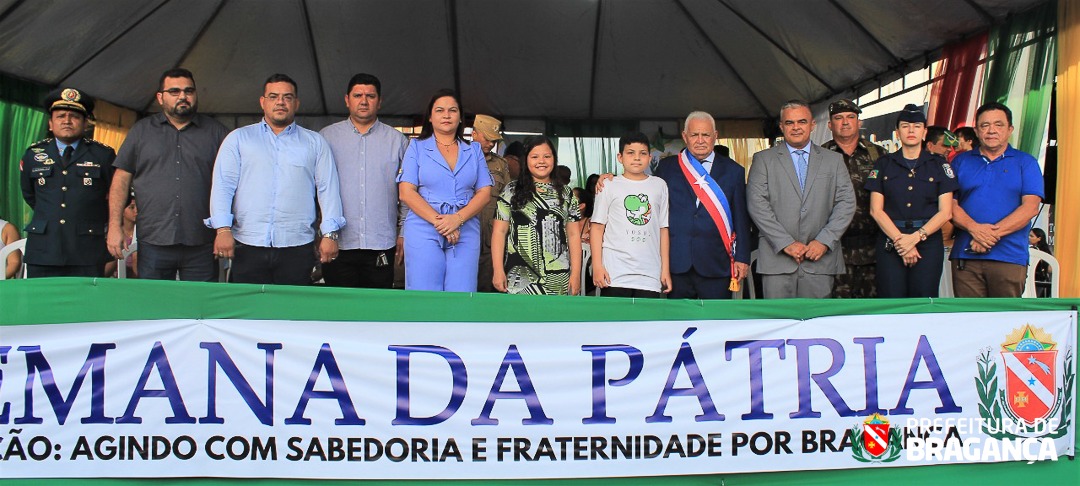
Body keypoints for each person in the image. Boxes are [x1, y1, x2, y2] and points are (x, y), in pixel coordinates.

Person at [206, 74, 344, 285]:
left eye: (287, 97)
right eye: (273, 96)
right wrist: (222, 229)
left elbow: (328, 189)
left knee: (293, 312)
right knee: (246, 311)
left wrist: (330, 234)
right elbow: (224, 186)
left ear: (296, 103)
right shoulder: (238, 139)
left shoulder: (315, 143)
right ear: (263, 102)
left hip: (297, 246)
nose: (280, 102)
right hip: (247, 243)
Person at [107, 68, 228, 281]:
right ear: (160, 97)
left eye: (188, 91)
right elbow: (121, 179)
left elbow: (233, 183)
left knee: (198, 309)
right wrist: (115, 226)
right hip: (154, 240)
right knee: (156, 308)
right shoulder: (141, 131)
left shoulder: (217, 133)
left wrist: (225, 231)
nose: (183, 96)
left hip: (201, 241)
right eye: (174, 91)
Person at [747, 100, 856, 299]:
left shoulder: (833, 160)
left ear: (813, 125)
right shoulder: (763, 160)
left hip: (820, 260)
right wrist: (785, 243)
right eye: (789, 123)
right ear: (781, 127)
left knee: (817, 326)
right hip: (777, 261)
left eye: (802, 122)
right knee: (778, 324)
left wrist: (823, 241)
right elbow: (757, 204)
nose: (796, 127)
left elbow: (846, 203)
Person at [319, 73, 408, 289]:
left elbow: (407, 193)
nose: (364, 101)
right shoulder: (325, 138)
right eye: (358, 95)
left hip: (381, 242)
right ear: (347, 99)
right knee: (339, 312)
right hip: (338, 242)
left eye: (370, 95)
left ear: (380, 101)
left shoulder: (397, 141)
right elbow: (315, 191)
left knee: (378, 312)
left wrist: (404, 233)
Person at [397, 89, 492, 291]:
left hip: (465, 227)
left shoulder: (474, 150)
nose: (446, 115)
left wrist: (456, 219)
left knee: (462, 292)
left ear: (460, 117)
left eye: (452, 110)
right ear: (430, 117)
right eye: (440, 110)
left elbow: (484, 193)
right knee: (424, 293)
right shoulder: (416, 147)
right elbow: (406, 192)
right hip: (424, 226)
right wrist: (441, 222)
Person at [950, 102, 1043, 297]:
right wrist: (975, 229)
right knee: (968, 321)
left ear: (1010, 129)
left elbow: (1031, 208)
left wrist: (988, 236)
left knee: (1006, 323)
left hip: (1009, 256)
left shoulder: (1026, 162)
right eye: (985, 125)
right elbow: (950, 204)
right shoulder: (960, 161)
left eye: (998, 125)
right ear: (976, 130)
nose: (991, 130)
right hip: (966, 256)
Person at [19, 88, 115, 278]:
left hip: (86, 249)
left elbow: (116, 195)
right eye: (61, 116)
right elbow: (30, 194)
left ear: (86, 123)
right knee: (42, 305)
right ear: (50, 123)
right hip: (44, 248)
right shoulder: (34, 155)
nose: (67, 121)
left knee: (86, 306)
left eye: (74, 116)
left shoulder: (103, 155)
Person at [654, 111, 750, 299]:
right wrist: (608, 180)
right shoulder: (667, 168)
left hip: (717, 262)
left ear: (715, 136)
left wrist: (742, 258)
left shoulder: (733, 171)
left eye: (705, 135)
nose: (700, 140)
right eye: (694, 135)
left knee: (716, 324)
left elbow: (741, 218)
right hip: (677, 261)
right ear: (684, 137)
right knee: (679, 323)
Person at [865, 104, 957, 297]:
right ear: (897, 132)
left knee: (924, 300)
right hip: (892, 241)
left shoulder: (939, 165)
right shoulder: (884, 164)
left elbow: (946, 212)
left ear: (924, 132)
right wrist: (901, 242)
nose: (911, 130)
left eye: (916, 126)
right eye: (905, 126)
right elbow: (876, 210)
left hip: (928, 241)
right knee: (891, 302)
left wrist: (915, 238)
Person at [491, 136, 582, 295]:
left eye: (547, 156)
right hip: (518, 278)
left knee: (554, 319)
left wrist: (575, 274)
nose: (542, 161)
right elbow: (499, 232)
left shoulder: (566, 193)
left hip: (557, 278)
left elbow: (574, 235)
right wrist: (498, 270)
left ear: (554, 159)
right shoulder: (510, 191)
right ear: (525, 160)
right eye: (535, 157)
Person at [591, 132, 671, 298]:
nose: (636, 158)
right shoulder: (608, 185)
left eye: (642, 153)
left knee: (648, 323)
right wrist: (598, 267)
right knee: (615, 322)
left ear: (649, 157)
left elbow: (663, 230)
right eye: (630, 153)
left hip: (649, 274)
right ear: (620, 157)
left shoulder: (660, 185)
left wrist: (665, 269)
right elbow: (597, 228)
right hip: (615, 274)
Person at [821, 99, 886, 298]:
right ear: (830, 125)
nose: (845, 122)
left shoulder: (879, 155)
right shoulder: (819, 156)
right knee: (834, 315)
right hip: (833, 250)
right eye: (838, 118)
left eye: (851, 117)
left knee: (871, 314)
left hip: (872, 250)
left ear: (859, 123)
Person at [472, 114, 512, 292]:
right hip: (464, 233)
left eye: (494, 140)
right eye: (487, 138)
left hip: (491, 237)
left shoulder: (500, 164)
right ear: (474, 134)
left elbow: (508, 199)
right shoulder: (459, 157)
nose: (490, 144)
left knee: (488, 287)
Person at [105, 195, 139, 278]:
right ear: (122, 211)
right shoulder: (113, 235)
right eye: (131, 207)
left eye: (138, 207)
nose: (136, 211)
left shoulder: (141, 233)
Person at [1029, 227, 1052, 298]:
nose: (1028, 237)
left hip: (1036, 282)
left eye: (1031, 236)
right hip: (1044, 282)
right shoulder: (1046, 251)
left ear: (1039, 238)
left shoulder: (1034, 251)